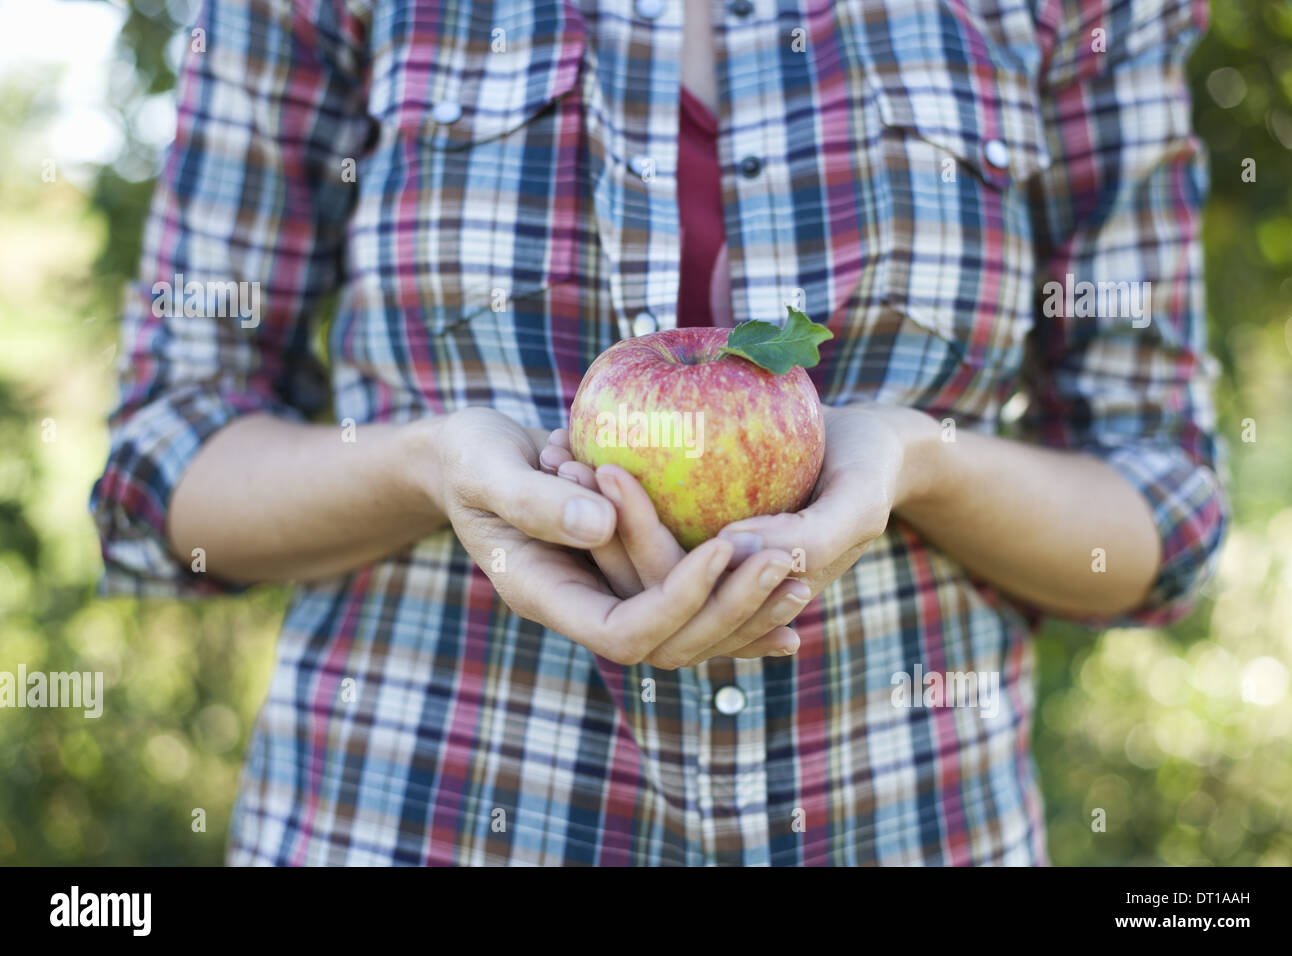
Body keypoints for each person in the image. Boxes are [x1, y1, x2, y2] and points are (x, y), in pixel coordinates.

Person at [91, 0, 1227, 865]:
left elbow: (1157, 507)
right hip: (408, 815)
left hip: (906, 820)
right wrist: (423, 469)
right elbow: (172, 461)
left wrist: (920, 464)